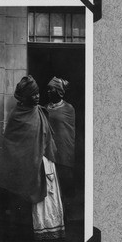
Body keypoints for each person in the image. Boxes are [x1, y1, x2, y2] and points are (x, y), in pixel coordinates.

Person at [0, 75, 65, 242]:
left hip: (44, 162)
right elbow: (11, 144)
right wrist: (27, 158)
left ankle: (48, 230)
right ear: (25, 96)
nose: (37, 96)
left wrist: (44, 154)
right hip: (25, 168)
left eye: (38, 93)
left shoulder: (40, 112)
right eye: (33, 94)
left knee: (47, 200)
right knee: (24, 206)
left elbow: (48, 138)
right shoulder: (16, 116)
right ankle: (25, 235)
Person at [46, 77, 75, 215]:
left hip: (64, 150)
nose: (48, 91)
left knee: (65, 180)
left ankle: (67, 213)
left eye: (51, 88)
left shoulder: (68, 108)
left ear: (59, 91)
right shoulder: (46, 108)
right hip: (50, 150)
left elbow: (68, 131)